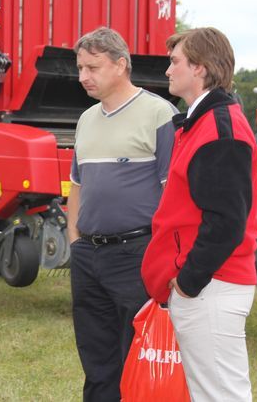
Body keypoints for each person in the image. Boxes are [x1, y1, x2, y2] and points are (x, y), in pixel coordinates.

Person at [141, 27, 257, 401]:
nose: (167, 71)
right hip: (208, 286)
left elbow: (227, 221)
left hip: (210, 287)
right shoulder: (204, 122)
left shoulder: (219, 128)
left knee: (220, 395)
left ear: (201, 68)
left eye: (175, 62)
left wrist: (188, 282)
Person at [68, 27, 177, 402]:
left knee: (137, 354)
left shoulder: (160, 114)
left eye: (92, 67)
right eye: (80, 67)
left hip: (137, 254)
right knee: (96, 357)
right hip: (88, 256)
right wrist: (75, 245)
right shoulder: (85, 119)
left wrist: (164, 256)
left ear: (121, 65)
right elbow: (77, 187)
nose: (83, 76)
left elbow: (173, 194)